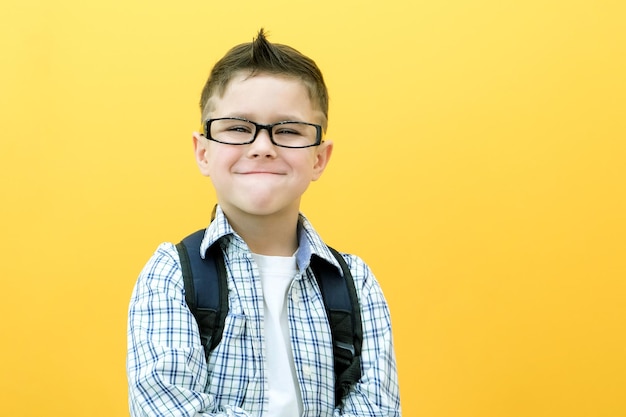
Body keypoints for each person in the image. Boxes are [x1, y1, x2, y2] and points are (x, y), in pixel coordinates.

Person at [127, 29, 401, 417]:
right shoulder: (170, 275)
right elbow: (170, 409)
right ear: (203, 152)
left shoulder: (355, 282)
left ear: (319, 159)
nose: (262, 147)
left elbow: (377, 409)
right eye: (238, 128)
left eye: (288, 131)